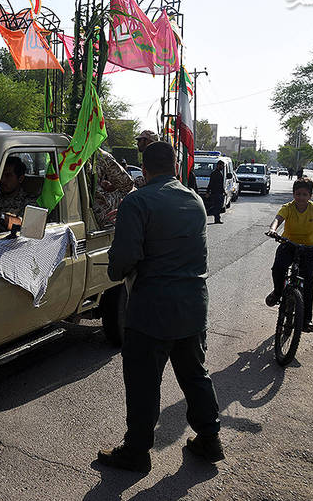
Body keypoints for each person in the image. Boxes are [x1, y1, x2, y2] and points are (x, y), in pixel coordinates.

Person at [99, 141, 223, 474]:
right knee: (195, 375)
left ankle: (137, 452)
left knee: (143, 383)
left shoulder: (137, 201)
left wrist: (113, 269)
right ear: (175, 165)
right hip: (194, 306)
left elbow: (124, 259)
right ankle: (210, 438)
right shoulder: (194, 200)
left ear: (145, 167)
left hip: (152, 310)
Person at [265, 177, 313, 332]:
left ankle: (306, 320)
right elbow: (277, 219)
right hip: (288, 245)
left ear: (310, 195)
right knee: (278, 268)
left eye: (304, 194)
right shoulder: (288, 207)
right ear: (294, 194)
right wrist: (273, 230)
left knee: (308, 283)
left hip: (309, 248)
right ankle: (278, 292)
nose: (301, 197)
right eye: (298, 194)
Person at [0, 156, 37, 231]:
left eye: (8, 176)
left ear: (20, 179)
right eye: (1, 175)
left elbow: (23, 226)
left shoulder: (29, 202)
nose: (2, 180)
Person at [93, 148, 134, 227]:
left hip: (71, 209)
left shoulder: (66, 151)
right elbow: (128, 184)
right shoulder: (99, 155)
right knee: (133, 193)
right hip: (97, 212)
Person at [206, 160, 225, 224]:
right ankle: (207, 214)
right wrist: (208, 192)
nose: (222, 167)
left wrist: (223, 191)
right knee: (216, 206)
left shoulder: (220, 173)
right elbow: (210, 183)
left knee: (218, 206)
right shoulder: (214, 173)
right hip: (215, 193)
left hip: (219, 192)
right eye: (222, 165)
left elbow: (221, 184)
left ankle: (217, 219)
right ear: (218, 165)